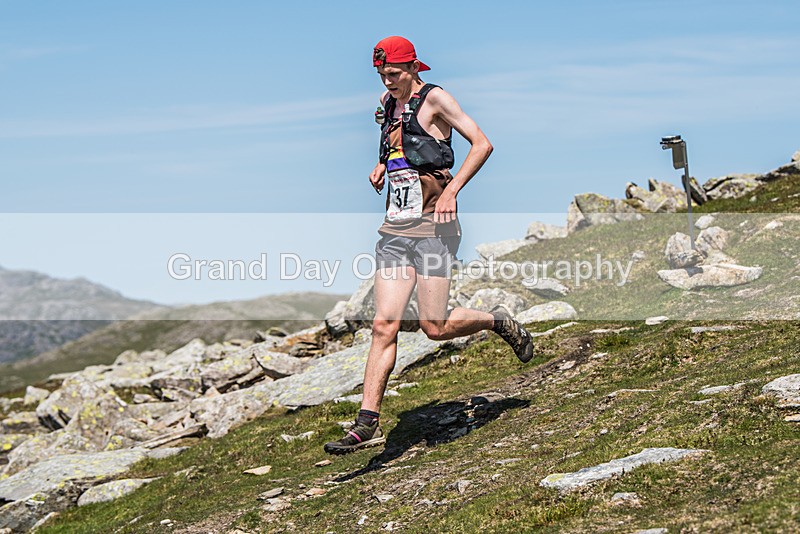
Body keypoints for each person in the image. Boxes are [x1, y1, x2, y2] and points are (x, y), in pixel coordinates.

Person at [324, 36, 534, 455]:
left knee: (434, 327)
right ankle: (367, 423)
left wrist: (453, 190)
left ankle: (496, 321)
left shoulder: (436, 99)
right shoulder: (387, 103)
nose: (388, 81)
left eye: (394, 74)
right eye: (382, 75)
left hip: (435, 228)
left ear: (413, 68)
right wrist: (382, 165)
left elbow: (482, 143)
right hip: (395, 228)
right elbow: (399, 146)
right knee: (383, 324)